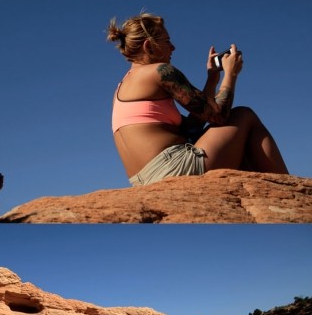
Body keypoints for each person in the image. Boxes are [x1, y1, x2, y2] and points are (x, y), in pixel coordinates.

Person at [108, 10, 289, 185]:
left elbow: (191, 127)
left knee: (231, 141)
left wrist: (212, 80)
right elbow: (219, 116)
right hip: (175, 169)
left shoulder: (123, 87)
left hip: (143, 180)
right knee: (244, 115)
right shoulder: (160, 71)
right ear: (148, 46)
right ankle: (288, 188)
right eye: (167, 41)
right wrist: (230, 75)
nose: (173, 47)